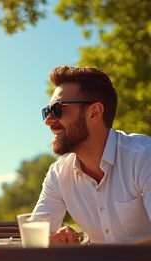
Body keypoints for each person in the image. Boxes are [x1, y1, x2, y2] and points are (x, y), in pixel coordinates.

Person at [33, 65, 151, 245]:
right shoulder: (58, 174)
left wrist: (94, 256)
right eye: (47, 112)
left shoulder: (144, 157)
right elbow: (34, 239)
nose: (49, 121)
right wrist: (50, 244)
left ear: (94, 112)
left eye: (57, 109)